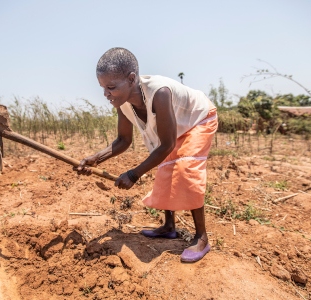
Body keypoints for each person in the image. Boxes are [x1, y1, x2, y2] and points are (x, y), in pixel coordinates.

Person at [75, 47, 218, 263]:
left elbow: (167, 144)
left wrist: (133, 174)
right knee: (166, 166)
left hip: (199, 119)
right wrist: (95, 159)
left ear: (131, 78)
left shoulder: (159, 93)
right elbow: (123, 140)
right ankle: (169, 227)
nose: (106, 94)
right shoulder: (122, 103)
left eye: (111, 87)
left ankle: (201, 237)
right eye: (103, 87)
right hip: (175, 126)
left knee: (185, 168)